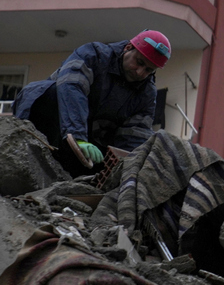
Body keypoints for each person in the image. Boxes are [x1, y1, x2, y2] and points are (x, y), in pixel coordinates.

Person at [13, 30, 170, 176]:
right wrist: (77, 137)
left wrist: (124, 169)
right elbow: (72, 89)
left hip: (89, 141)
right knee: (56, 92)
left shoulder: (146, 93)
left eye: (149, 70)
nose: (140, 72)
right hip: (48, 121)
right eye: (139, 62)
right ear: (128, 48)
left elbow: (135, 135)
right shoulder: (93, 55)